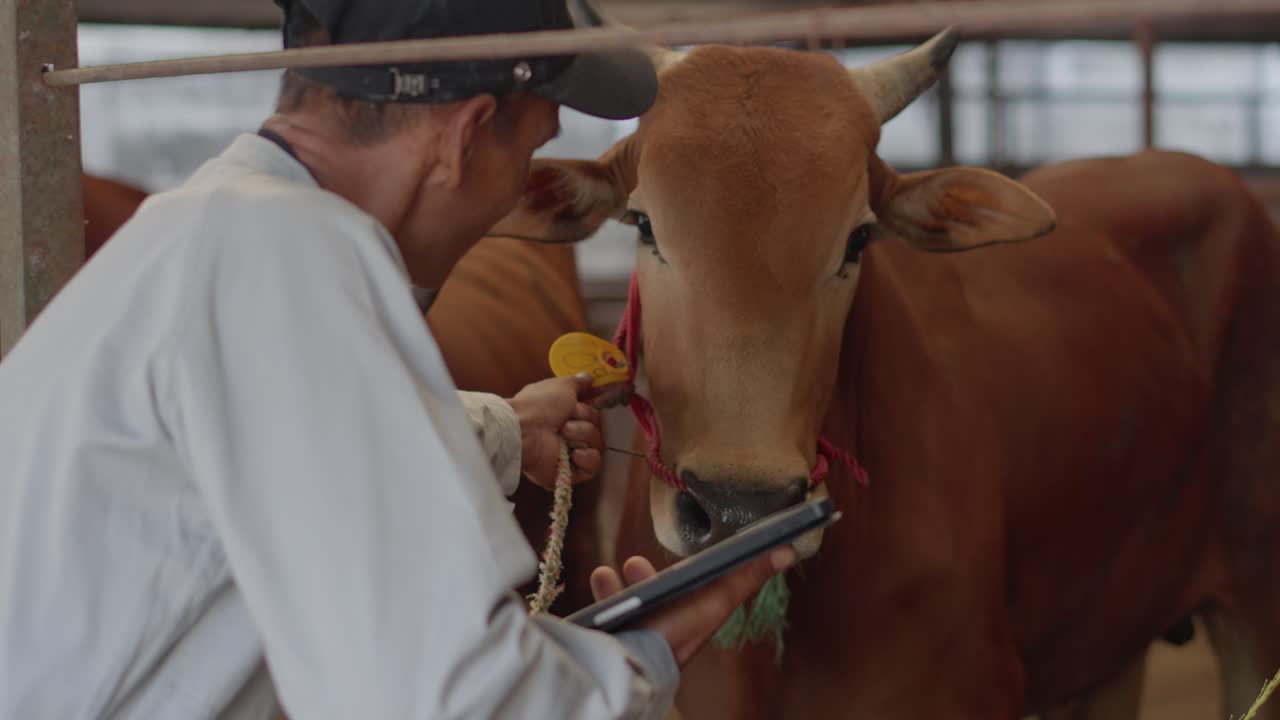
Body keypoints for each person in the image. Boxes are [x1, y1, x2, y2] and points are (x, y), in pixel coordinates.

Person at [0, 0, 795, 718]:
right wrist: (641, 660)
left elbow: (279, 453)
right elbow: (446, 702)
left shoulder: (209, 233)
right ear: (464, 136)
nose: (519, 187)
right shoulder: (294, 263)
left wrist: (504, 433)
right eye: (532, 148)